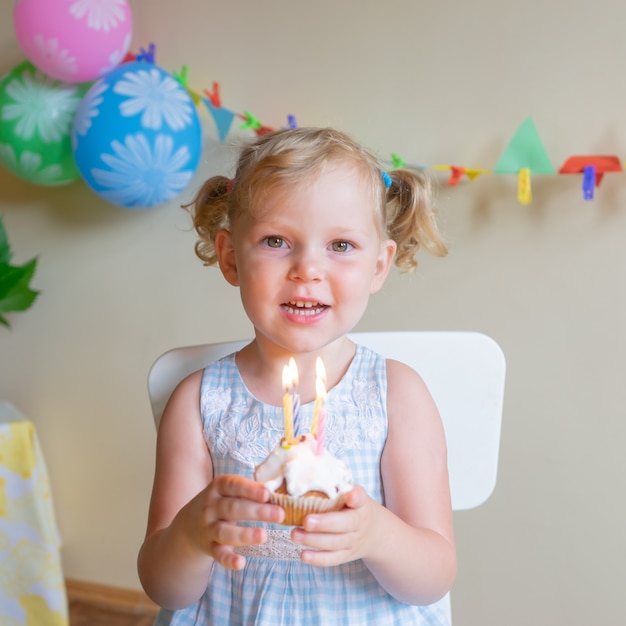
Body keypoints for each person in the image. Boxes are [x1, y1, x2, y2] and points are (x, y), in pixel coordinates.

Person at [138, 126, 456, 625]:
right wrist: (192, 534)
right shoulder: (200, 401)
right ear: (229, 258)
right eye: (276, 240)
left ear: (379, 264)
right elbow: (166, 589)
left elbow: (434, 576)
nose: (307, 269)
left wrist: (376, 533)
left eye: (341, 245)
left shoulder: (397, 395)